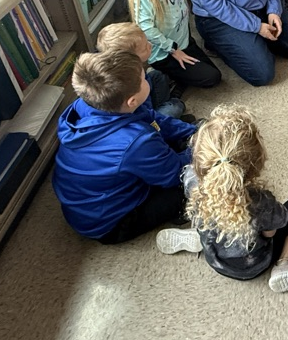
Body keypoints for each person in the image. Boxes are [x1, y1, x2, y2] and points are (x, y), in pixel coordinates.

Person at [155, 104, 288, 292]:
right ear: (255, 162)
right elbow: (270, 233)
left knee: (207, 213)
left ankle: (199, 234)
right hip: (254, 264)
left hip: (215, 259)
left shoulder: (190, 178)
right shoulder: (260, 201)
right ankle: (286, 262)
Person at [52, 50, 196, 244]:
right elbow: (175, 174)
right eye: (144, 79)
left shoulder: (88, 104)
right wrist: (204, 146)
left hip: (91, 201)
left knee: (171, 144)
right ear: (132, 101)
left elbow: (154, 119)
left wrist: (193, 131)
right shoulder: (136, 141)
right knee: (198, 180)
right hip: (112, 224)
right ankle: (179, 209)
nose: (147, 79)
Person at [97, 22, 185, 119]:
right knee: (176, 108)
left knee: (157, 75)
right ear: (131, 58)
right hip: (142, 113)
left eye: (147, 41)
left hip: (144, 98)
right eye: (145, 48)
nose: (150, 45)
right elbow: (142, 110)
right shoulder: (127, 84)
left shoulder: (125, 66)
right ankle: (170, 106)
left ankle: (166, 103)